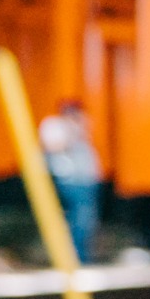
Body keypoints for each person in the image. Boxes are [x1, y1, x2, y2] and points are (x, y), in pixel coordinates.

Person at [36, 100, 104, 266]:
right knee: (79, 220)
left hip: (87, 182)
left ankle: (82, 256)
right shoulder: (56, 126)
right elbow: (53, 147)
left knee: (87, 221)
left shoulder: (82, 127)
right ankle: (74, 258)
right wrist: (72, 130)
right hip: (70, 182)